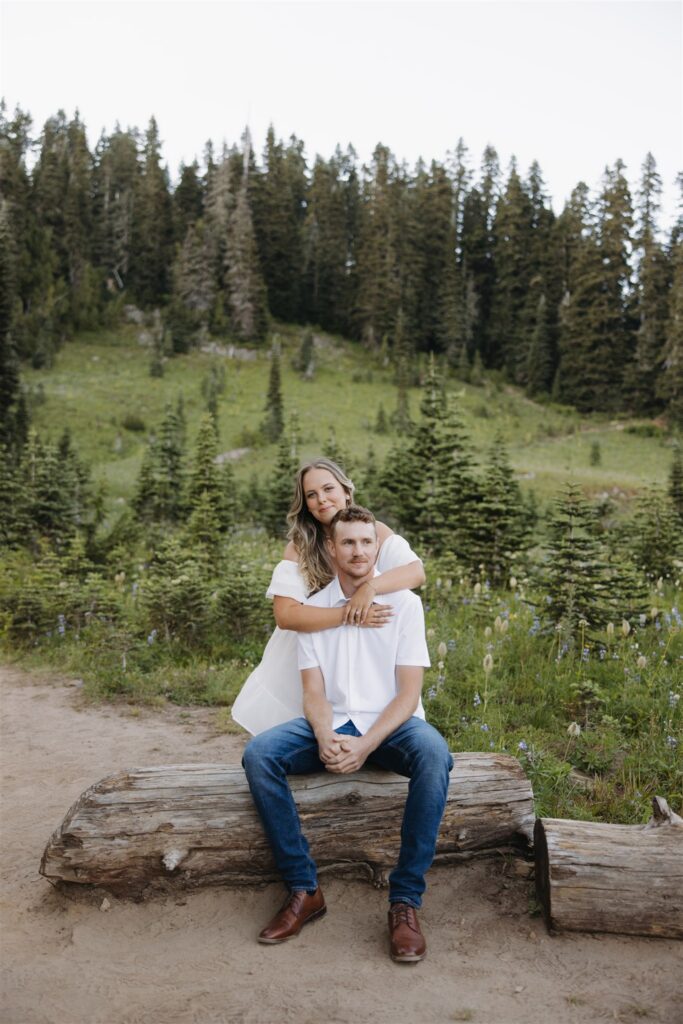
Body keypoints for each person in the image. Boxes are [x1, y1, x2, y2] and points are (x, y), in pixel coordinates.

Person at [242, 505, 453, 963]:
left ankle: (405, 902)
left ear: (377, 546)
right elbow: (314, 693)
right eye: (349, 543)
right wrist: (323, 733)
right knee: (260, 754)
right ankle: (304, 889)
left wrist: (366, 744)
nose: (359, 551)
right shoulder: (314, 611)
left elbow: (408, 695)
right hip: (334, 724)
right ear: (332, 549)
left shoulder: (405, 605)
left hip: (391, 727)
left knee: (435, 753)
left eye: (366, 542)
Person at [231, 458, 426, 735]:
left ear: (346, 491)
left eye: (328, 489)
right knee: (309, 726)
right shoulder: (300, 547)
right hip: (310, 645)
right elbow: (285, 615)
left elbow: (416, 572)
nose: (321, 499)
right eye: (311, 495)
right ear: (306, 505)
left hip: (366, 645)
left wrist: (369, 589)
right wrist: (350, 614)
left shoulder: (374, 530)